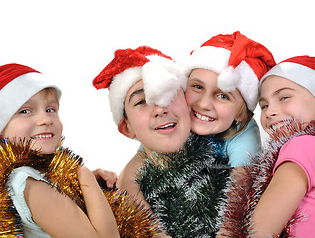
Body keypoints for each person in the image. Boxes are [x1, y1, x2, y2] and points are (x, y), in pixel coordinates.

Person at [93, 46, 230, 237]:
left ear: (187, 103)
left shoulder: (228, 144)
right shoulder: (131, 187)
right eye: (142, 101)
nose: (160, 109)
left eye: (169, 93)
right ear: (127, 128)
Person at [222, 56, 315, 237]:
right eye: (264, 105)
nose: (270, 112)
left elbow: (257, 233)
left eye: (284, 97)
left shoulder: (304, 146)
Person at [0, 63, 120, 237]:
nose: (45, 119)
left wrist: (85, 187)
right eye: (25, 111)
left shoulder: (35, 176)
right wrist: (84, 175)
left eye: (51, 109)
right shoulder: (29, 184)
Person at [184, 31, 276, 167]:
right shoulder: (170, 112)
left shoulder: (245, 135)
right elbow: (142, 163)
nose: (204, 104)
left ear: (241, 115)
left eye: (223, 96)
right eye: (197, 86)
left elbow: (240, 184)